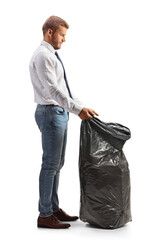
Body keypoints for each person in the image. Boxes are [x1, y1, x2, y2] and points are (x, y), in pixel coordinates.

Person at [29, 15, 98, 229]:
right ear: (50, 32)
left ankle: (53, 207)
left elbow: (64, 89)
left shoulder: (51, 55)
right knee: (50, 165)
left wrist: (81, 106)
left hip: (59, 112)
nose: (64, 39)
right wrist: (77, 110)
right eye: (62, 34)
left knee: (57, 165)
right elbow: (53, 91)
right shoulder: (43, 55)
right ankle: (45, 214)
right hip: (51, 114)